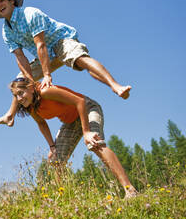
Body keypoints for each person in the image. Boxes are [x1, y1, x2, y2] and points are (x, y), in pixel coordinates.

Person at [0, 0, 131, 127]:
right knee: (20, 80)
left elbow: (41, 44)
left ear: (12, 2)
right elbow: (20, 57)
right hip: (44, 56)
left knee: (79, 58)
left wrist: (47, 75)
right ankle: (10, 115)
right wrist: (29, 82)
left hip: (59, 41)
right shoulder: (6, 31)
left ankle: (115, 85)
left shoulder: (29, 13)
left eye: (2, 1)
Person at [7, 77, 138, 198]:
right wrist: (52, 147)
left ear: (30, 88)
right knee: (56, 159)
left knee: (95, 144)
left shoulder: (46, 91)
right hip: (70, 121)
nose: (18, 98)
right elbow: (41, 123)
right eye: (15, 95)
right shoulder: (30, 106)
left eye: (20, 93)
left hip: (88, 109)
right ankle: (63, 198)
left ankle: (130, 190)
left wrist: (86, 132)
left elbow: (79, 101)